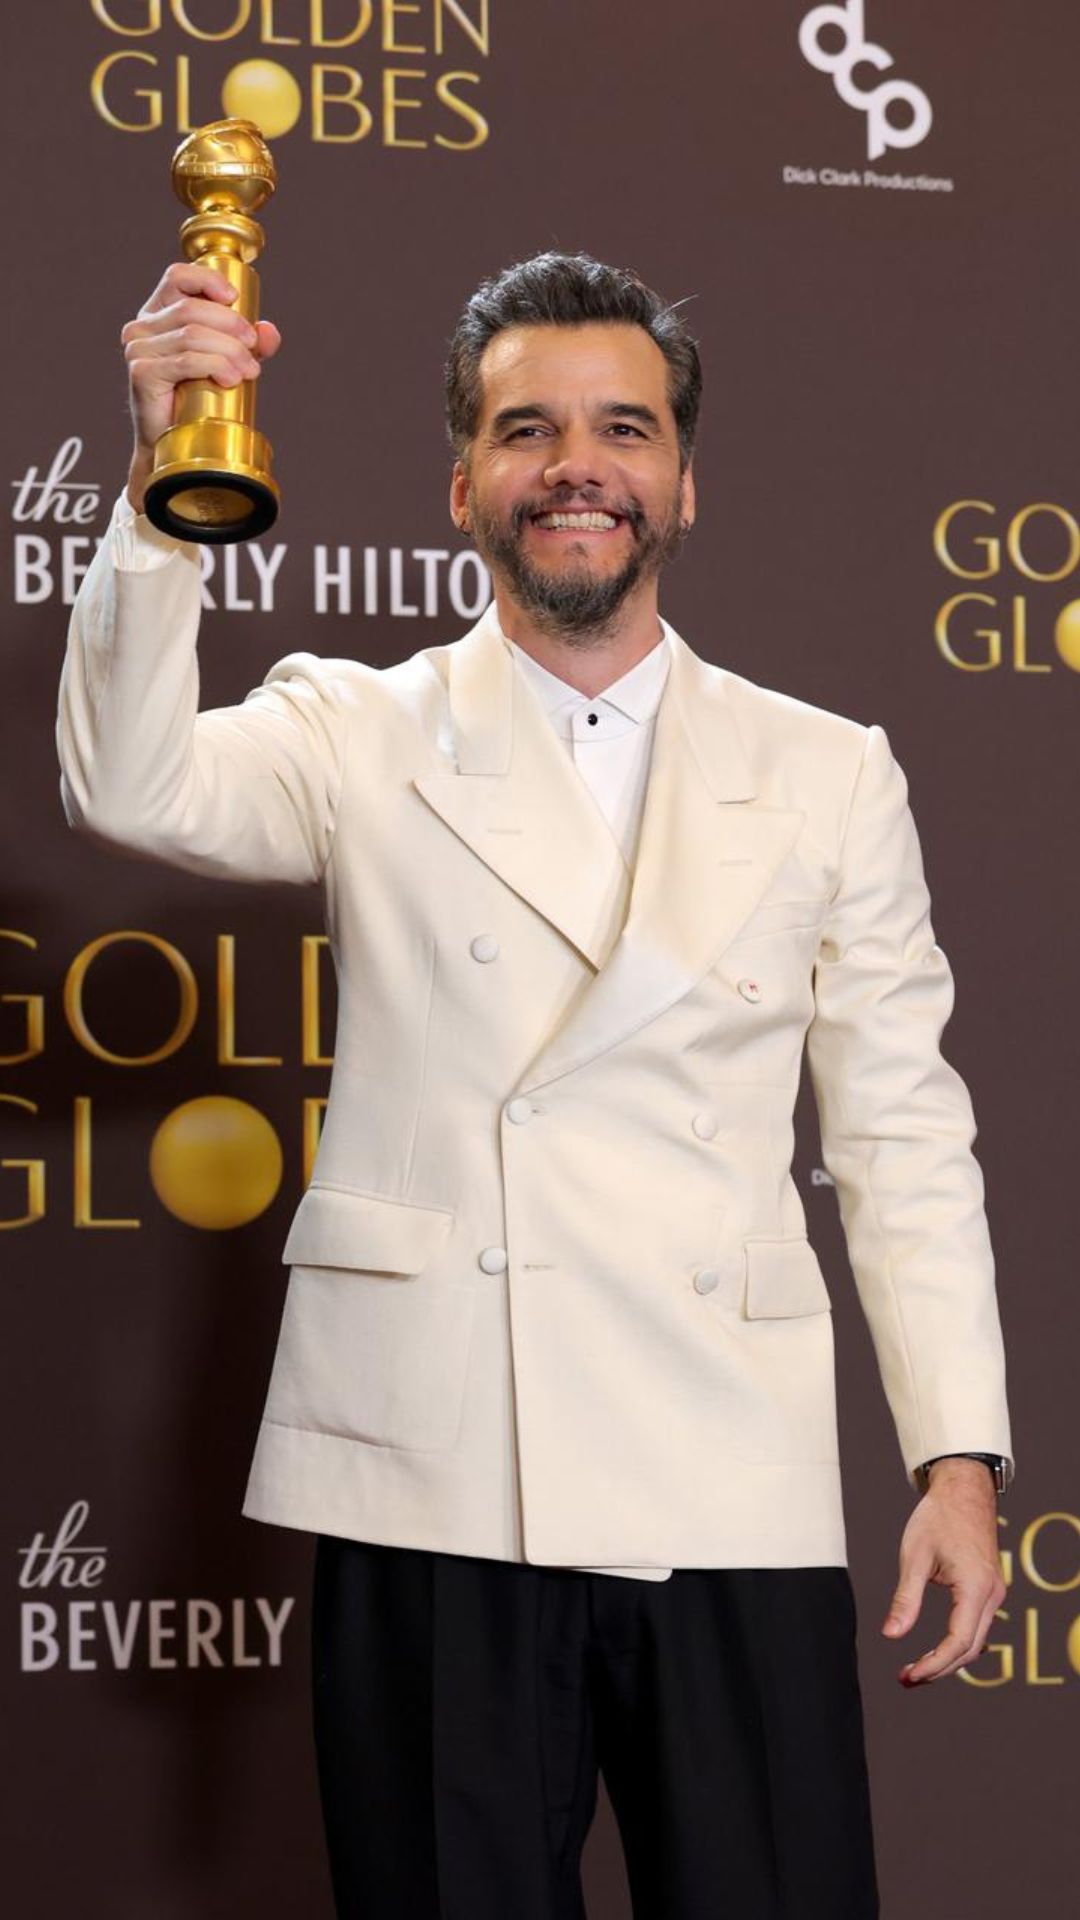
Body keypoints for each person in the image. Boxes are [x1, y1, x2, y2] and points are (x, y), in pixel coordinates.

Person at [58, 250, 1012, 1919]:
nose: (579, 466)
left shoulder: (828, 770)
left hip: (729, 1471)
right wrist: (162, 476)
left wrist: (957, 1457)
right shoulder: (357, 728)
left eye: (624, 429)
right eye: (528, 431)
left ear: (686, 483)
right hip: (433, 1472)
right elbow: (125, 781)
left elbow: (901, 1134)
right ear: (462, 486)